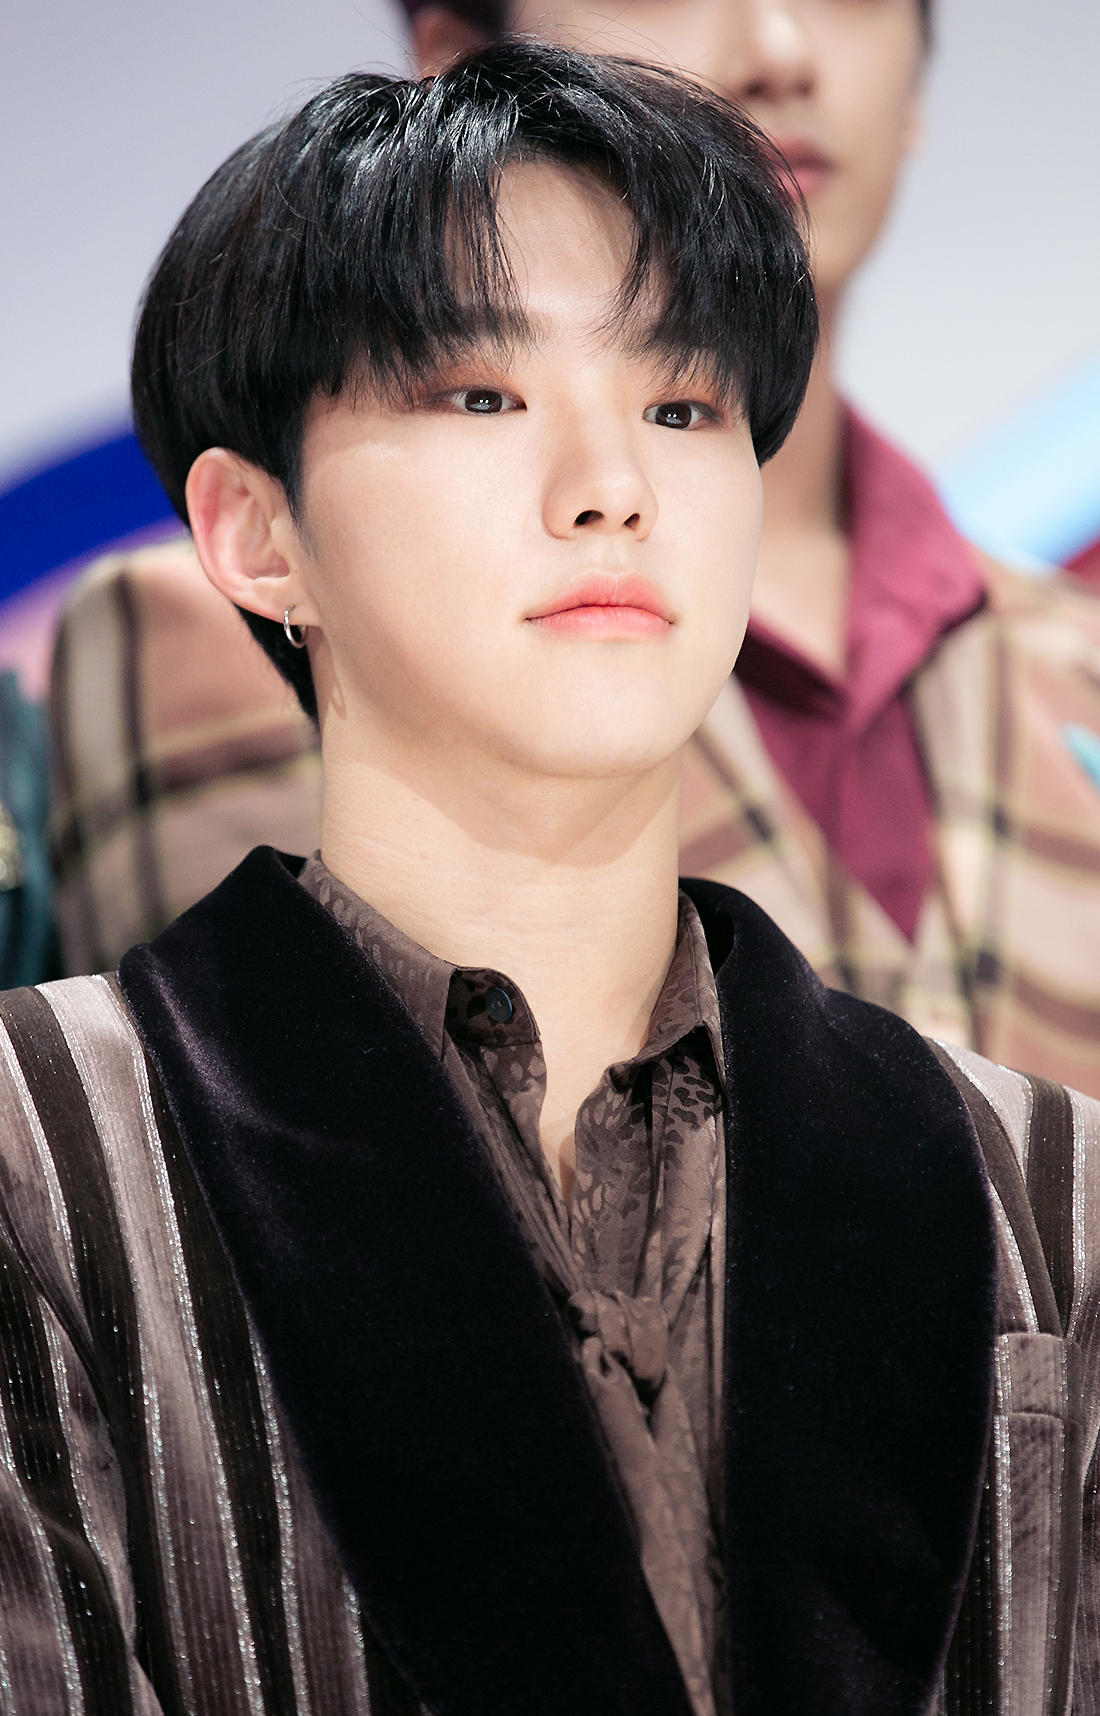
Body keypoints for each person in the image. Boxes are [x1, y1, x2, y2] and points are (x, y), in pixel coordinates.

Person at [2, 40, 1097, 1715]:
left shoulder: (1042, 1180)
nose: (612, 490)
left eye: (683, 407)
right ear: (257, 533)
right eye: (481, 397)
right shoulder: (42, 1152)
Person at [50, 0, 1100, 1099]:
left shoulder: (1069, 659)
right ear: (458, 59)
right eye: (479, 397)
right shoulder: (219, 629)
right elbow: (254, 1123)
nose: (780, 53)